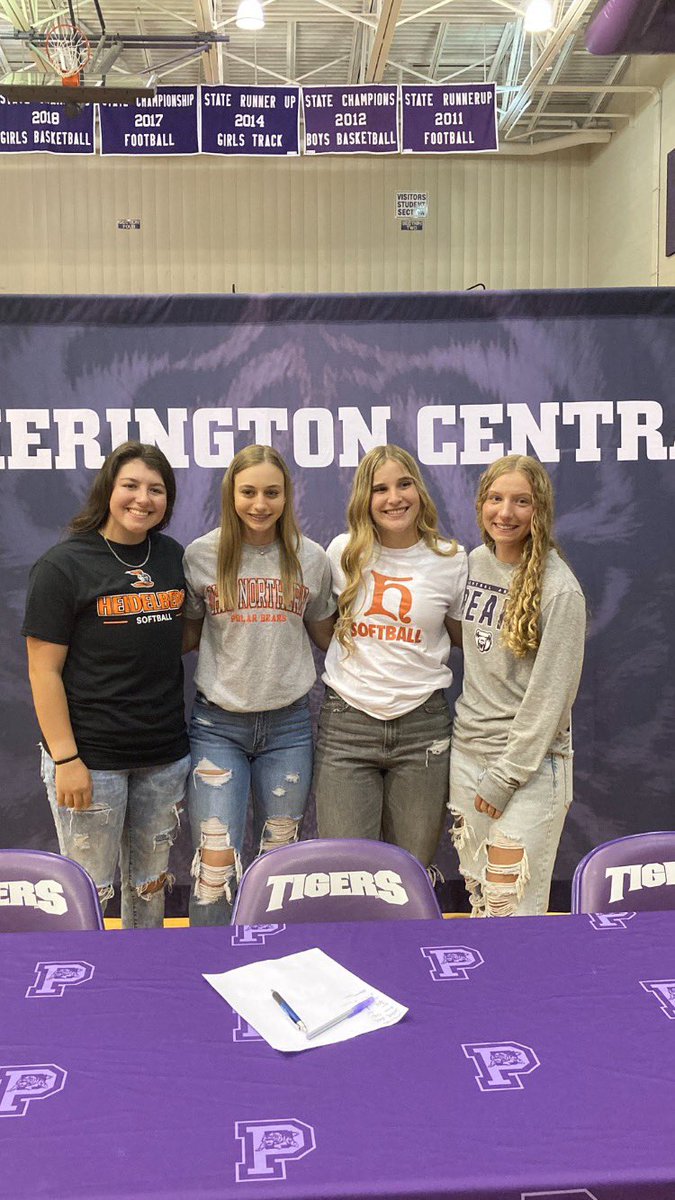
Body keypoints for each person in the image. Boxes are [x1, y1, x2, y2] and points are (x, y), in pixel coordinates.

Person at [22, 441, 190, 929]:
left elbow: (171, 638)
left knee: (151, 887)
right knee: (88, 893)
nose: (143, 499)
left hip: (163, 756)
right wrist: (66, 759)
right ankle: (86, 988)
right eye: (131, 486)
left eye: (156, 490)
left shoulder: (171, 555)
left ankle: (146, 978)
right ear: (107, 491)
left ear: (168, 500)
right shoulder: (63, 566)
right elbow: (42, 670)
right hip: (91, 762)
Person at [183, 444, 335, 925]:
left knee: (279, 859)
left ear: (287, 496)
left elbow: (326, 634)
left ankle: (280, 959)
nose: (260, 504)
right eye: (248, 492)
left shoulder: (309, 559)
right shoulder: (201, 556)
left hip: (288, 728)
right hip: (217, 727)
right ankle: (207, 967)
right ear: (231, 494)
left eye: (272, 492)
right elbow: (185, 636)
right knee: (215, 864)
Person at [313, 444, 467, 867]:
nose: (394, 498)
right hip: (348, 727)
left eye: (404, 484)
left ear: (420, 490)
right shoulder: (342, 553)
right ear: (365, 499)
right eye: (380, 489)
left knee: (409, 873)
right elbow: (325, 629)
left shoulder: (451, 560)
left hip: (423, 729)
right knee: (346, 872)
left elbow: (460, 637)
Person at [449, 454, 586, 918]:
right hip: (467, 757)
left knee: (513, 913)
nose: (505, 513)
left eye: (521, 502)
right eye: (495, 498)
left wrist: (506, 775)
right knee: (481, 902)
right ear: (481, 504)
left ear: (539, 510)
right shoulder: (474, 563)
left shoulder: (559, 589)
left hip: (525, 770)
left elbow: (552, 697)